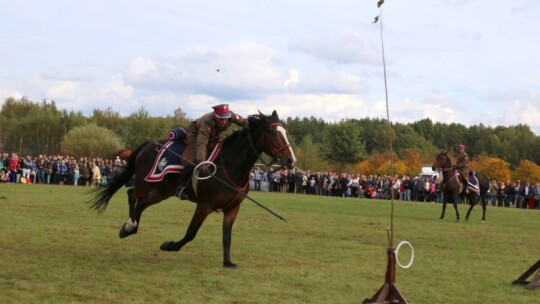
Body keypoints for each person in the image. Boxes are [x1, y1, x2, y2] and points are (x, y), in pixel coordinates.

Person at [176, 104, 247, 200]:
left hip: (215, 134)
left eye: (225, 118)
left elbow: (244, 122)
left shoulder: (231, 116)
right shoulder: (207, 122)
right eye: (221, 119)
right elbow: (202, 143)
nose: (224, 121)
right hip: (196, 133)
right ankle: (181, 187)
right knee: (194, 158)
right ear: (215, 116)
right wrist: (202, 162)